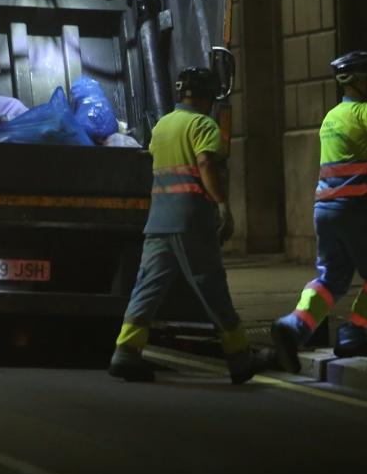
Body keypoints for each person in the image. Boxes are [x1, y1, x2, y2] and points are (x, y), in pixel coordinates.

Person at [270, 51, 367, 370]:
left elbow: (344, 165)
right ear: (357, 81)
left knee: (331, 279)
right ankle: (353, 333)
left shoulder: (331, 117)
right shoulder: (362, 112)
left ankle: (292, 327)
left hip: (325, 210)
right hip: (355, 210)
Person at [109, 67, 261, 384]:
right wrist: (222, 204)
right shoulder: (203, 124)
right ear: (208, 96)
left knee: (147, 287)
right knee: (212, 285)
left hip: (159, 221)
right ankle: (239, 357)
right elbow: (204, 162)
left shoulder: (162, 126)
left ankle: (126, 352)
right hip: (192, 220)